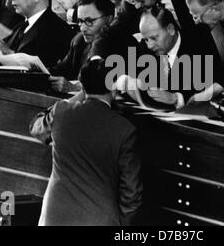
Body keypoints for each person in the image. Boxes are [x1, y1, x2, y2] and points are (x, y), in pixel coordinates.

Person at [30, 58, 142, 226]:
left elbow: (36, 128)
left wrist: (78, 96)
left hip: (54, 218)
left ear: (82, 86)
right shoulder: (126, 130)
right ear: (113, 87)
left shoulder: (61, 111)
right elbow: (132, 194)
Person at [89, 0, 221, 62]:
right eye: (133, 0)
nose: (137, 5)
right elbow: (109, 33)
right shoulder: (133, 0)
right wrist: (95, 59)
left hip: (209, 50)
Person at [132, 6, 224, 108]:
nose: (150, 45)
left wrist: (176, 98)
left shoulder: (199, 46)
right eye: (146, 40)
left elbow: (216, 85)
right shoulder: (145, 50)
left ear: (171, 29)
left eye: (154, 38)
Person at [49, 0, 115, 93]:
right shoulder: (79, 41)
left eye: (89, 21)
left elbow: (114, 87)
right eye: (80, 21)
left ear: (109, 19)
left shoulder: (119, 45)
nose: (83, 28)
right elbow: (60, 70)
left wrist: (75, 88)